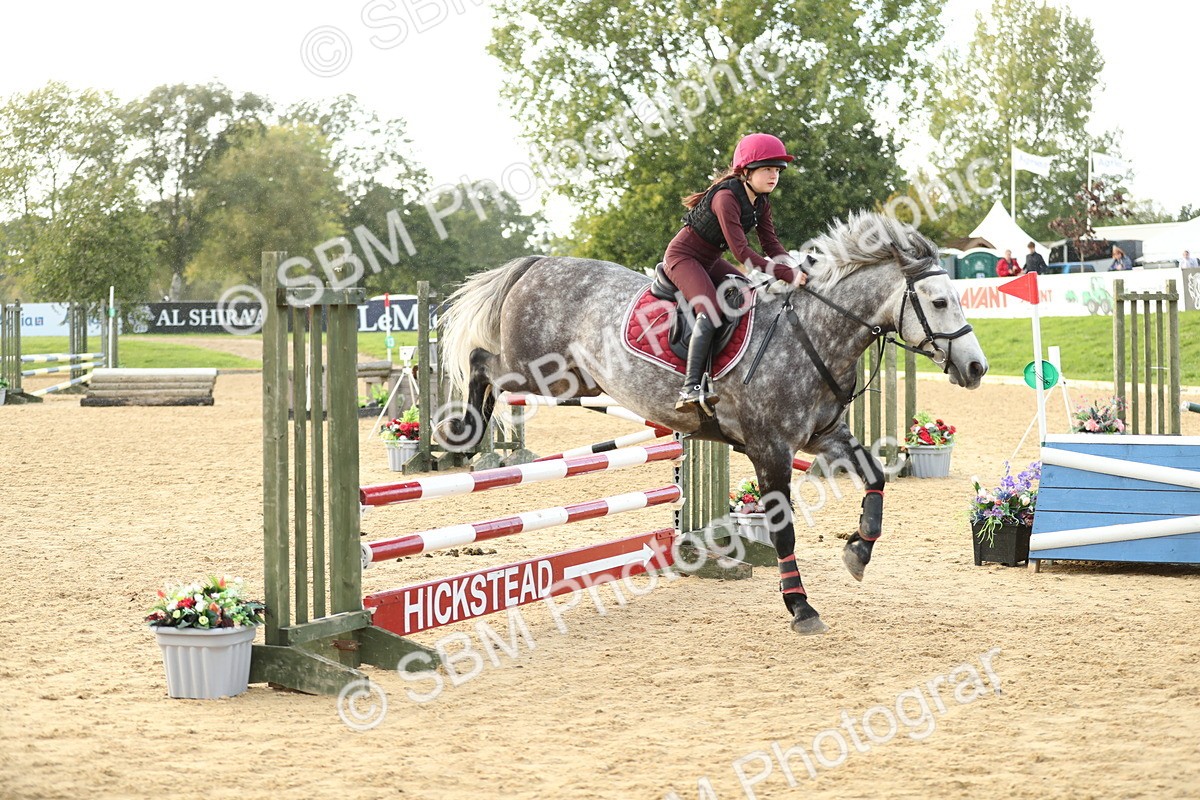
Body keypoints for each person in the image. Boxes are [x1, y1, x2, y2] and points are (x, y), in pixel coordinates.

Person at [665, 133, 808, 412]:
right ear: (746, 171)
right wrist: (785, 274)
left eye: (777, 170)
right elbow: (743, 254)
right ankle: (690, 387)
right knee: (710, 309)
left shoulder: (761, 202)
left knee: (745, 292)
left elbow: (770, 244)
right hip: (684, 257)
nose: (774, 176)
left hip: (710, 259)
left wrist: (794, 265)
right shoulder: (726, 198)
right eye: (767, 169)